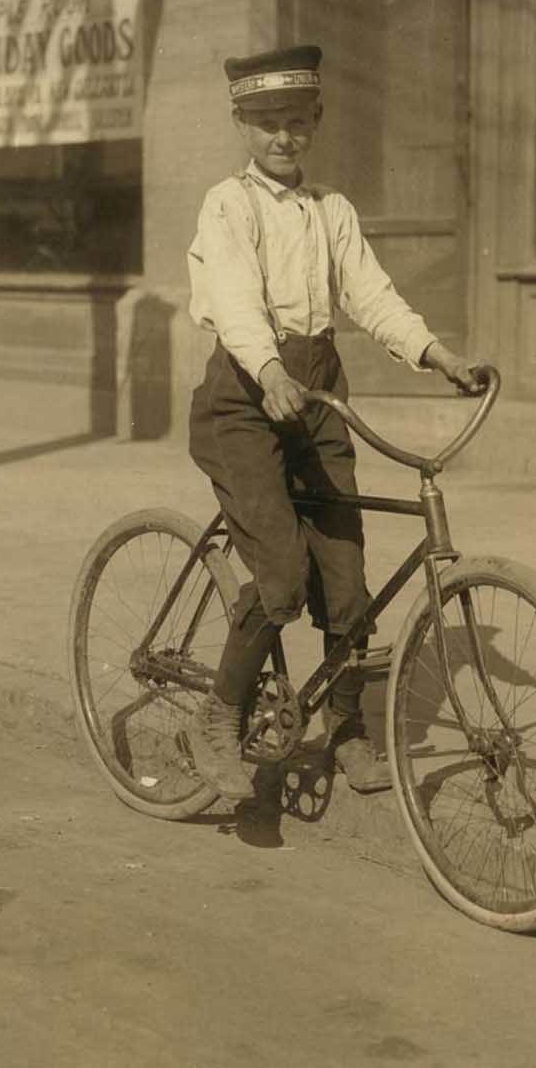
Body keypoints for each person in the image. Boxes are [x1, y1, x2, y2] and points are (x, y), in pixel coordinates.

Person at [184, 44, 484, 801]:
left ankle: (346, 729)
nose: (281, 137)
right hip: (245, 398)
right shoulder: (229, 205)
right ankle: (218, 714)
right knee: (282, 576)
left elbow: (373, 296)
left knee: (347, 578)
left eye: (294, 122)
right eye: (265, 124)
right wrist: (270, 370)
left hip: (316, 389)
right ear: (242, 126)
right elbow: (237, 303)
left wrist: (437, 354)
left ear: (315, 122)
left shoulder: (332, 211)